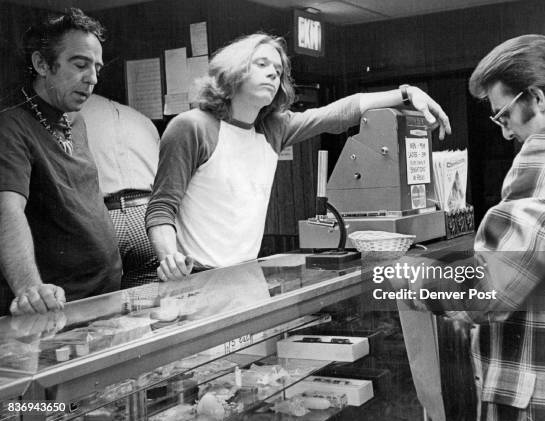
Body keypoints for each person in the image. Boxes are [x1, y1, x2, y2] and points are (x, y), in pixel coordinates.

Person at [391, 34, 545, 420]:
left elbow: (486, 290)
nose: (506, 132)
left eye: (504, 115)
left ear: (538, 98)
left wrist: (409, 275)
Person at [145, 32, 452, 281]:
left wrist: (406, 93)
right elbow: (161, 207)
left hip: (245, 274)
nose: (272, 74)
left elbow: (337, 113)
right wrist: (170, 258)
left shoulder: (273, 128)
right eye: (261, 64)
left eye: (278, 71)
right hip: (195, 277)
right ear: (233, 69)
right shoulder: (192, 127)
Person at [0, 8, 121, 316]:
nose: (92, 78)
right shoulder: (10, 126)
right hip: (58, 308)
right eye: (80, 64)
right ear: (41, 63)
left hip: (105, 294)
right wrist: (30, 289)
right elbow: (7, 210)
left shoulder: (75, 121)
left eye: (96, 67)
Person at [80, 94, 160, 289]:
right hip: (147, 214)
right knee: (143, 295)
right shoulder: (139, 118)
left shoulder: (71, 117)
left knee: (101, 299)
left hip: (103, 216)